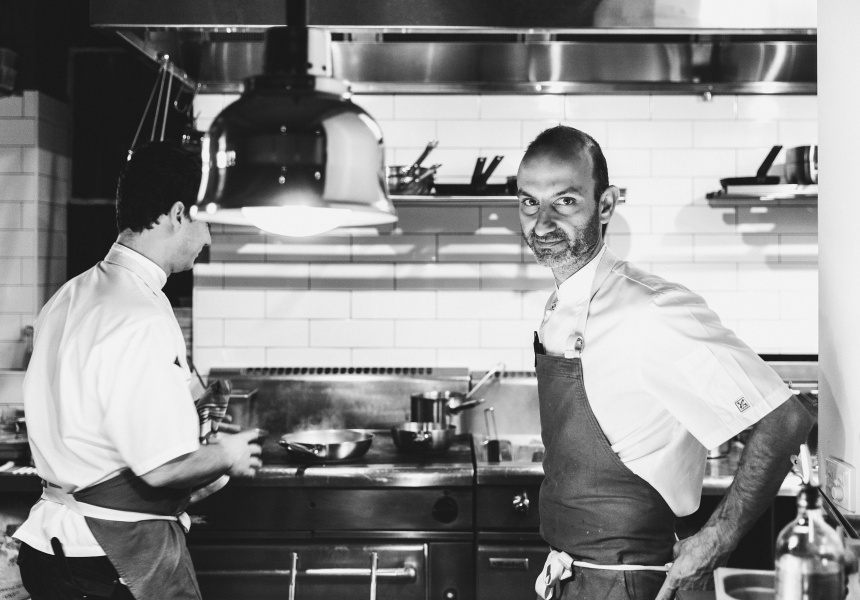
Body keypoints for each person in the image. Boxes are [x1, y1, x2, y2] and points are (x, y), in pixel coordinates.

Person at [519, 126, 813, 600]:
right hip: (575, 576)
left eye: (565, 201)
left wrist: (715, 541)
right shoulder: (560, 306)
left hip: (631, 582)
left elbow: (784, 418)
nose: (542, 223)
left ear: (606, 205)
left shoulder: (651, 309)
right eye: (530, 202)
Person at [13, 141, 263, 600]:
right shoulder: (140, 313)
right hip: (107, 559)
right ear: (178, 214)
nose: (208, 239)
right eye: (207, 223)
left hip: (52, 550)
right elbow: (161, 468)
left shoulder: (70, 295)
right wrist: (228, 454)